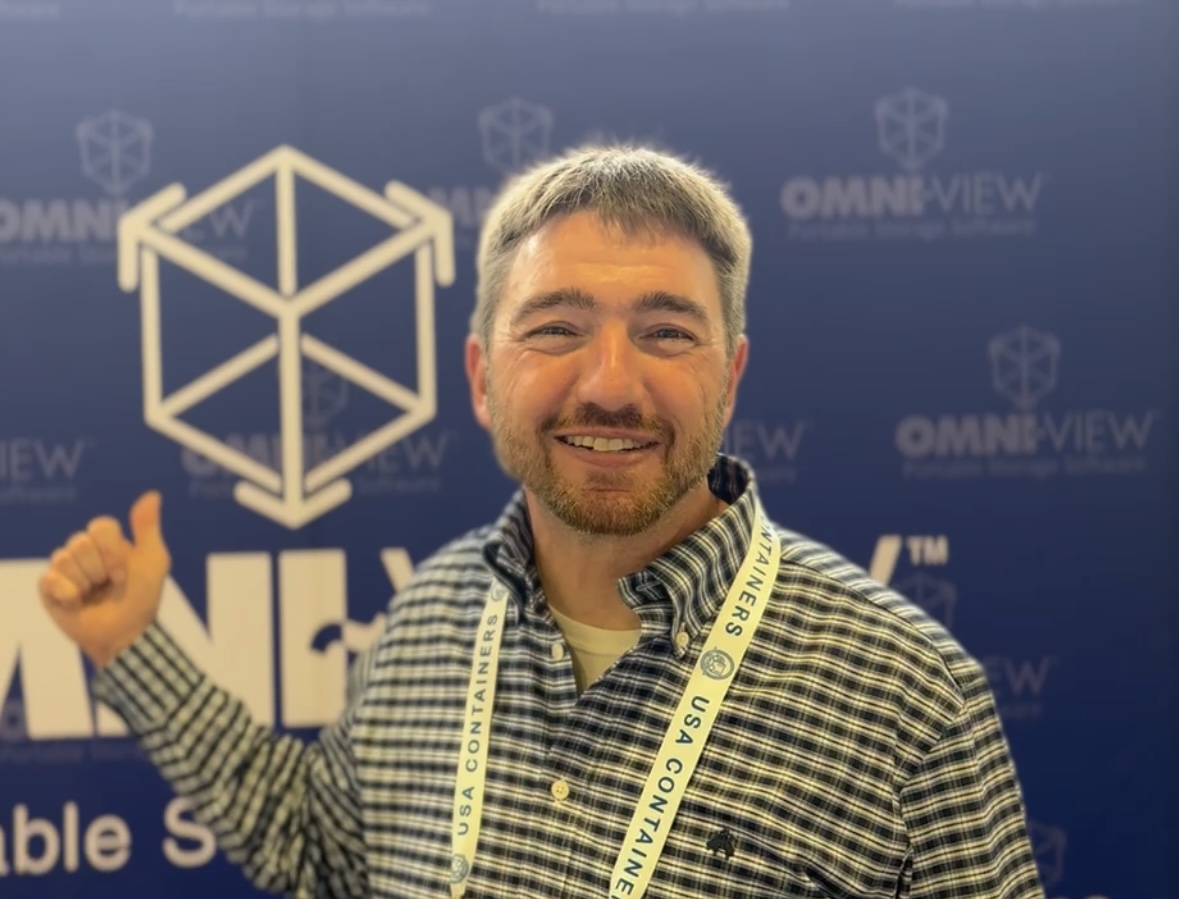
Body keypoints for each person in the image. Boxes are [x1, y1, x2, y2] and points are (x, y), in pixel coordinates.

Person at [37, 142, 1045, 899]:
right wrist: (132, 645)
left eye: (665, 332)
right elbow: (324, 853)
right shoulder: (430, 614)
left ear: (731, 377)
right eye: (556, 327)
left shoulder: (911, 701)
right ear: (482, 378)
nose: (609, 383)